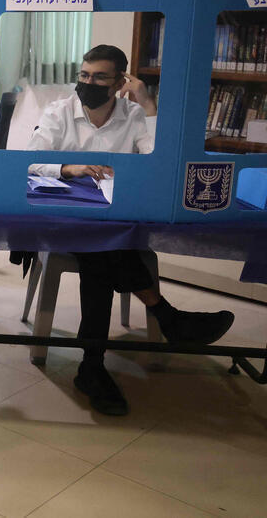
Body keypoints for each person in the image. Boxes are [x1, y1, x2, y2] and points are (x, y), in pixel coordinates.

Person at [27, 44, 234, 416]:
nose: (88, 83)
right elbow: (31, 160)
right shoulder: (59, 111)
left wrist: (149, 106)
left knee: (102, 251)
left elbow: (159, 160)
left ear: (121, 81)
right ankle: (166, 316)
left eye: (99, 77)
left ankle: (93, 366)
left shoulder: (134, 113)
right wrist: (67, 167)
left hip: (113, 220)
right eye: (84, 75)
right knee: (102, 248)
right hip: (64, 221)